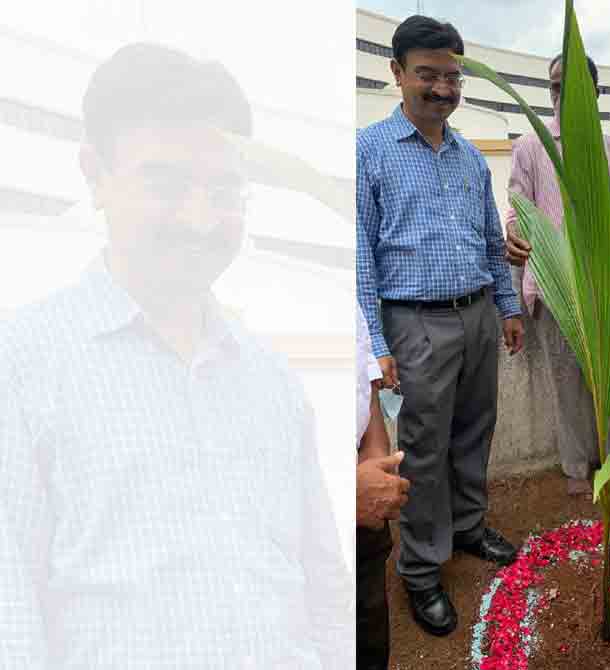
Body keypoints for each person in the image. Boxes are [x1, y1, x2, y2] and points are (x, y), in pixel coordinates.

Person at [0, 43, 351, 668]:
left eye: (222, 190)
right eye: (165, 183)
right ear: (96, 175)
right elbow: (12, 616)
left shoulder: (269, 379)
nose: (199, 218)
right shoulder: (23, 365)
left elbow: (322, 588)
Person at [356, 15, 522, 638]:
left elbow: (488, 242)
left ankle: (468, 526)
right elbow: (360, 256)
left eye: (452, 76)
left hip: (477, 313)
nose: (442, 88)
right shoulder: (368, 151)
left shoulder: (471, 158)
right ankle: (422, 568)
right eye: (427, 74)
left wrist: (506, 308)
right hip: (415, 323)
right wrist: (376, 343)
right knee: (422, 451)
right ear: (397, 73)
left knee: (476, 429)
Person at [504, 53, 610, 496]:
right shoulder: (530, 146)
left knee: (608, 378)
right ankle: (574, 467)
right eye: (554, 86)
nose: (561, 94)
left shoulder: (608, 147)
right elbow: (516, 208)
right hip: (555, 287)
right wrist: (514, 232)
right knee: (566, 382)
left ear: (594, 92)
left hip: (604, 286)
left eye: (572, 86)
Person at [356, 306, 409, 670]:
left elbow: (367, 394)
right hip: (294, 529)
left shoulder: (339, 298)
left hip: (362, 519)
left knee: (369, 634)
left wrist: (374, 464)